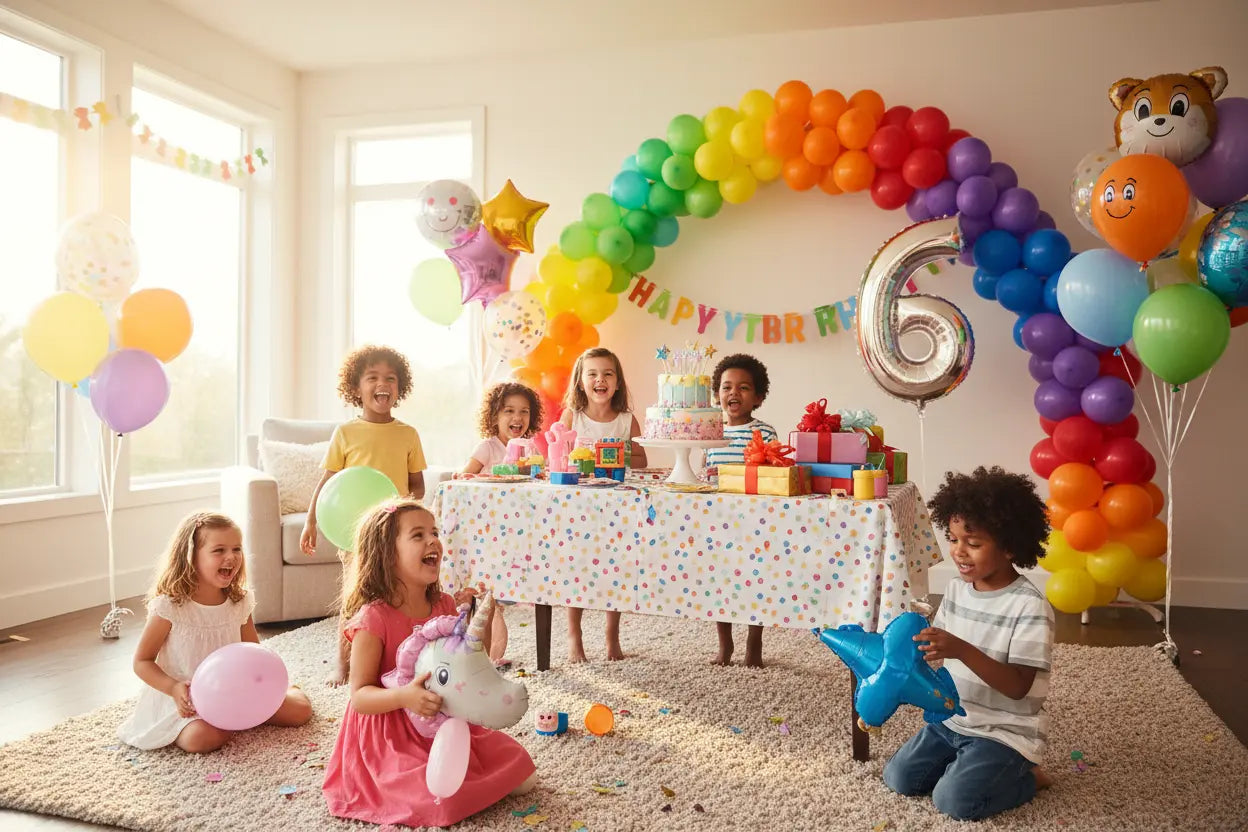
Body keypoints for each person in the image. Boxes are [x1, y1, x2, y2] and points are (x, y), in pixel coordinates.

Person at [322, 499, 536, 827]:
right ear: (386, 554)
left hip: (444, 723)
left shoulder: (444, 604)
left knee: (520, 770)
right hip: (390, 734)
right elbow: (360, 696)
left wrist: (486, 613)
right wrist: (405, 696)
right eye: (418, 535)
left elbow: (475, 667)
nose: (433, 541)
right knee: (441, 803)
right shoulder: (373, 619)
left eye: (434, 532)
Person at [883, 466, 1054, 821]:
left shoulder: (1029, 606)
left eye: (973, 543)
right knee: (898, 778)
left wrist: (960, 648)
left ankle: (1029, 779)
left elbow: (1018, 687)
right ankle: (966, 761)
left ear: (1010, 547)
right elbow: (938, 658)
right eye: (954, 539)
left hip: (1005, 732)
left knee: (954, 801)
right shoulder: (958, 591)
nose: (959, 552)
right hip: (954, 719)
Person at [117, 512, 312, 753]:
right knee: (201, 739)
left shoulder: (239, 602)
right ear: (191, 557)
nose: (231, 557)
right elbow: (141, 661)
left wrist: (268, 690)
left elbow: (254, 653)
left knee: (300, 710)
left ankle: (262, 703)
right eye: (219, 550)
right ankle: (224, 719)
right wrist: (173, 688)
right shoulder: (170, 607)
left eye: (237, 549)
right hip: (185, 699)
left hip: (236, 690)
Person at [300, 345, 428, 685]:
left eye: (390, 378)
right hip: (356, 534)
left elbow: (417, 487)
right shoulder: (345, 433)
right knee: (354, 601)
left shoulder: (407, 434)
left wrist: (399, 510)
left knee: (398, 597)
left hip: (396, 533)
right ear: (356, 388)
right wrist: (311, 521)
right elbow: (328, 485)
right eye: (372, 377)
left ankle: (399, 659)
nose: (381, 384)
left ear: (400, 388)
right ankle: (343, 666)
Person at [559, 347, 645, 663]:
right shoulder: (573, 417)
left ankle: (612, 635)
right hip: (578, 506)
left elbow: (642, 458)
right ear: (581, 382)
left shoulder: (625, 419)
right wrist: (587, 456)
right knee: (576, 568)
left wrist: (609, 452)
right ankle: (575, 637)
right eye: (592, 374)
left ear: (618, 382)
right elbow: (560, 456)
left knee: (616, 568)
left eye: (608, 373)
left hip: (616, 508)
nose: (600, 380)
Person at [458, 381, 546, 665]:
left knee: (498, 602)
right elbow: (464, 477)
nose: (517, 418)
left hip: (514, 536)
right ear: (494, 416)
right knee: (487, 600)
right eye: (509, 411)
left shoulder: (530, 449)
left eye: (524, 411)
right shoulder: (488, 447)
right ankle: (484, 657)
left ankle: (488, 658)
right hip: (486, 532)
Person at [704, 353, 776, 668]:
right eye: (726, 387)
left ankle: (754, 640)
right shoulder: (708, 431)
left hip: (753, 521)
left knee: (754, 581)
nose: (734, 393)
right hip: (717, 519)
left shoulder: (764, 433)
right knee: (719, 582)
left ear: (758, 396)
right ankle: (725, 644)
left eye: (744, 388)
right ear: (717, 393)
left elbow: (774, 474)